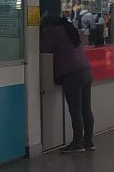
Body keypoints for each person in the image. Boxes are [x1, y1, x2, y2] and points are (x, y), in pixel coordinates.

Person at [41, 15, 95, 153]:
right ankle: (88, 141)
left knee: (75, 110)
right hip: (86, 71)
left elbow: (43, 48)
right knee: (86, 109)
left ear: (49, 25)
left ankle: (77, 142)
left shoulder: (55, 32)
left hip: (72, 74)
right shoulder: (70, 31)